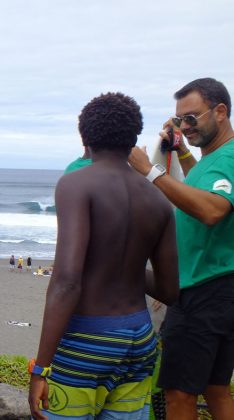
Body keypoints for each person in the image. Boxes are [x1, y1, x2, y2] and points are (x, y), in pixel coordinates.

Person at [28, 92, 179, 419]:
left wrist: (41, 368)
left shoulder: (75, 184)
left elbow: (67, 282)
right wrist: (123, 267)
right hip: (139, 338)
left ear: (85, 137)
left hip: (87, 339)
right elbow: (169, 291)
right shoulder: (158, 200)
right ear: (133, 138)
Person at [128, 78, 234, 419]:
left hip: (204, 290)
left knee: (178, 392)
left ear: (220, 111)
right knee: (216, 388)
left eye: (191, 118)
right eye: (179, 121)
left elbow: (212, 209)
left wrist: (150, 171)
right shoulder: (214, 159)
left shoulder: (228, 157)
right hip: (221, 288)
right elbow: (202, 185)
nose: (185, 127)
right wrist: (182, 152)